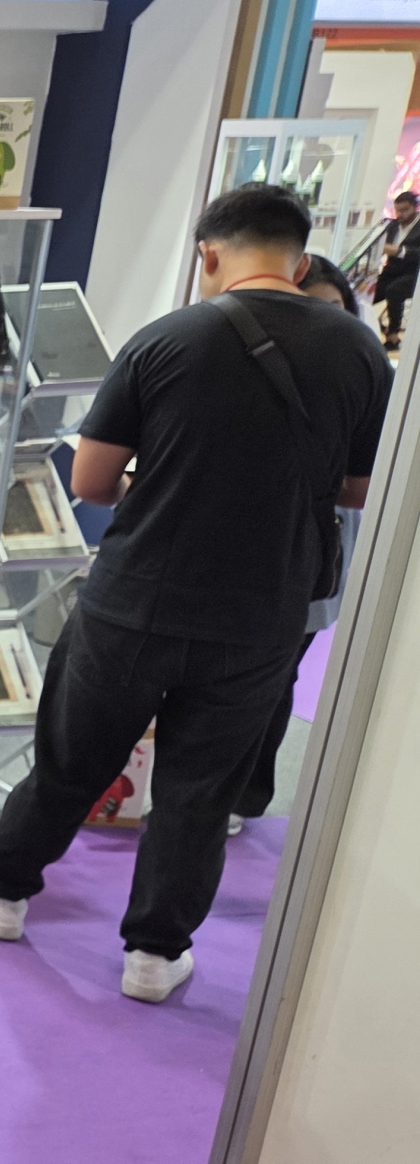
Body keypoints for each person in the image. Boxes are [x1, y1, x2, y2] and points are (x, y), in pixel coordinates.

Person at [0, 184, 389, 1002]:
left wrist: (163, 484)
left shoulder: (166, 339)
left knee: (72, 758)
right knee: (200, 788)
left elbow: (89, 481)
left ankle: (3, 893)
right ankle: (153, 955)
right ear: (299, 261)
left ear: (208, 254)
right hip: (262, 611)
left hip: (136, 599)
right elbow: (360, 488)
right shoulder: (359, 353)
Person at [229, 251, 365, 831]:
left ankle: (244, 795)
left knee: (277, 674)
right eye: (309, 309)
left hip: (314, 552)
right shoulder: (243, 367)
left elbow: (359, 485)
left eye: (333, 310)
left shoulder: (360, 377)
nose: (320, 324)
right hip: (240, 548)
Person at [374, 190, 417, 348]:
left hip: (413, 273)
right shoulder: (391, 226)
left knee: (394, 290)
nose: (400, 214)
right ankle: (370, 326)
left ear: (415, 207)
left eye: (405, 210)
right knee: (371, 289)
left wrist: (399, 251)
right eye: (397, 210)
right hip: (391, 271)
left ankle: (393, 335)